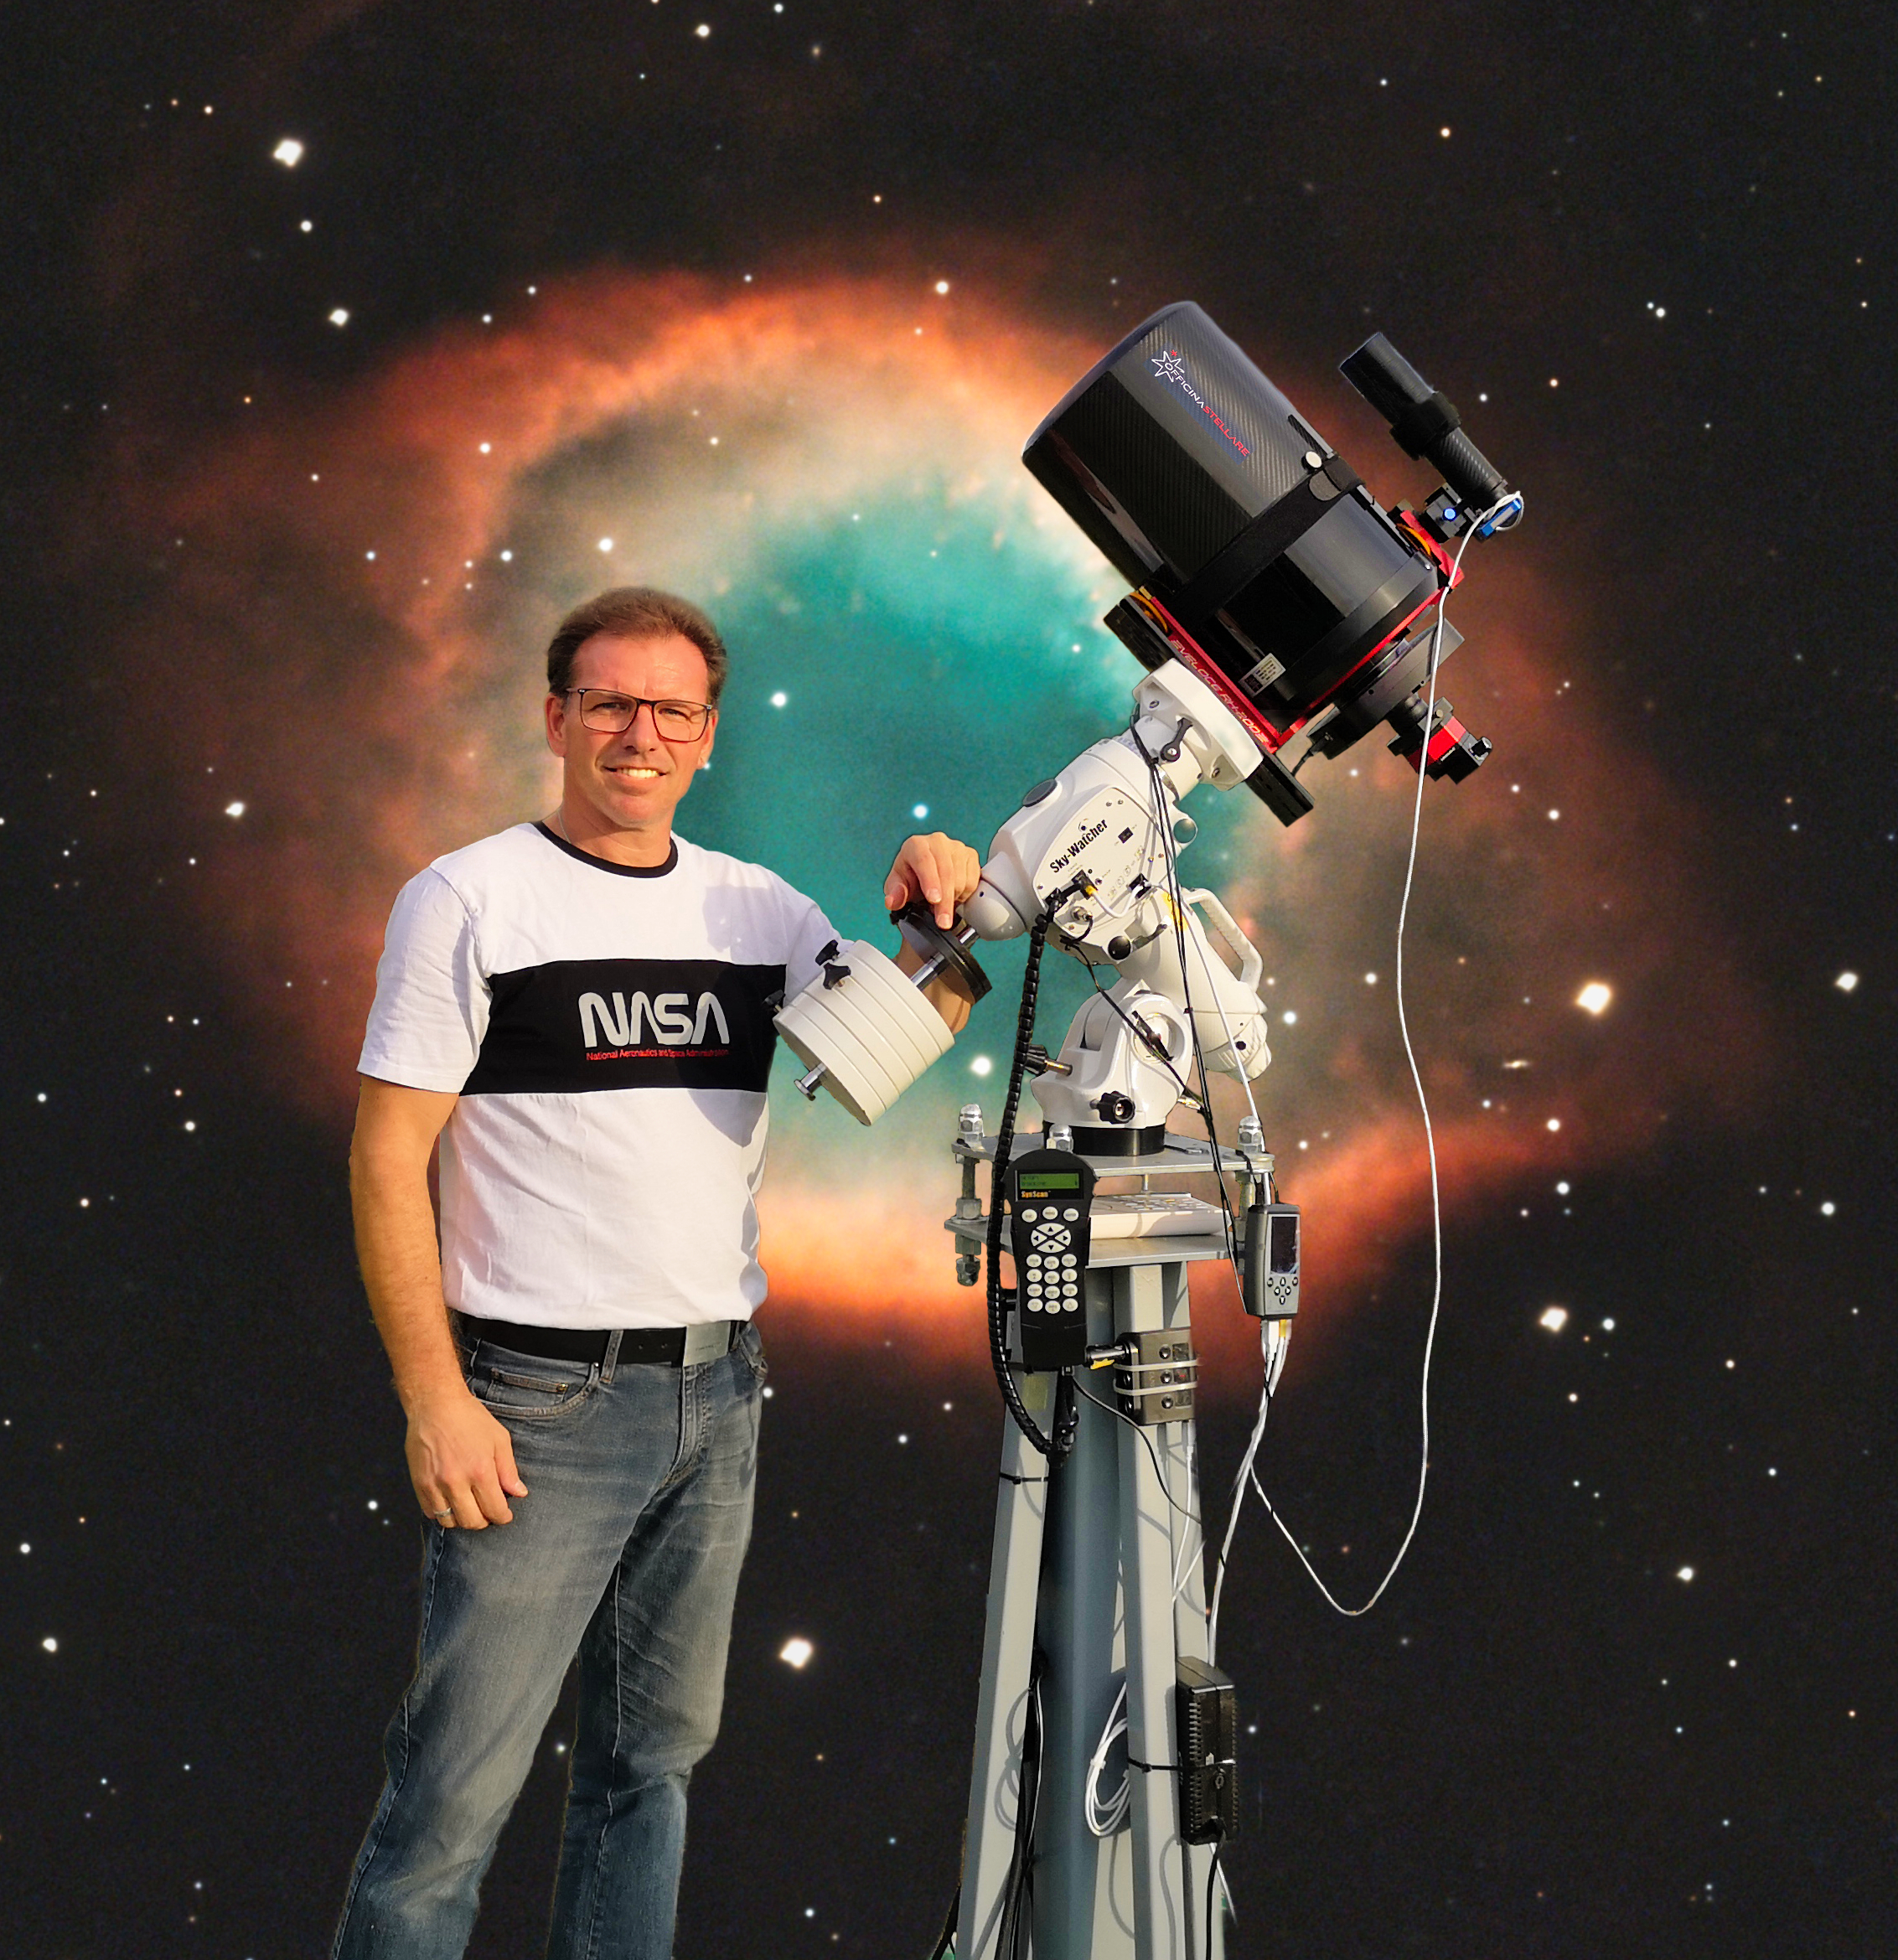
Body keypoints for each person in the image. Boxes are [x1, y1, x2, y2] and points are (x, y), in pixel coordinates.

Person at [332, 586, 980, 1960]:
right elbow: (389, 1159)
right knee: (450, 1807)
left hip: (714, 1398)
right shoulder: (469, 900)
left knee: (649, 1776)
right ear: (555, 717)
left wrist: (946, 907)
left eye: (672, 712)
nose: (641, 736)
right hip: (535, 1410)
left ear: (707, 734)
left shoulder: (757, 910)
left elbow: (897, 1039)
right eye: (611, 705)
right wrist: (435, 1399)